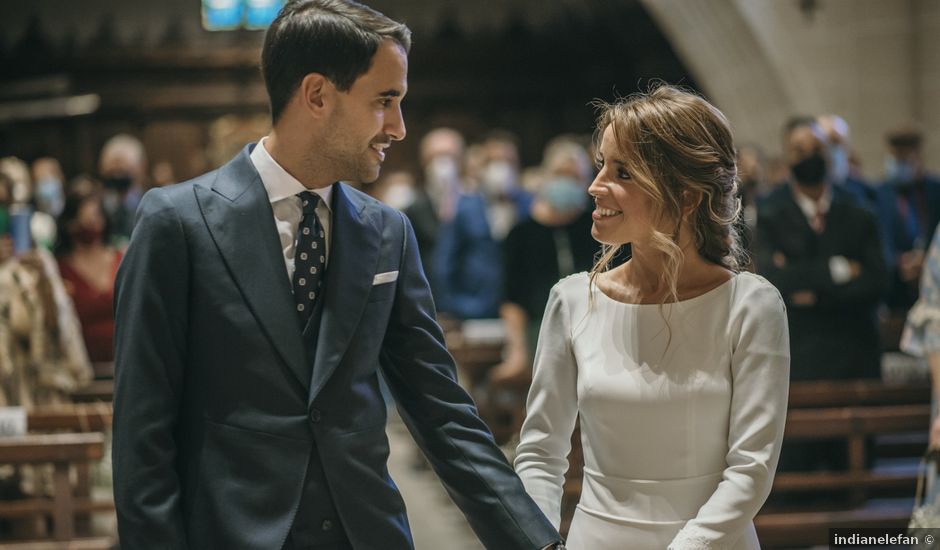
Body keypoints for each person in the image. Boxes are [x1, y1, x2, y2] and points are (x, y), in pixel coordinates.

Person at [111, 2, 562, 549]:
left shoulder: (387, 232)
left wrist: (540, 544)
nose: (398, 127)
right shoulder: (177, 222)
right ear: (318, 95)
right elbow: (142, 436)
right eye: (384, 101)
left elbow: (442, 413)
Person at [514, 85, 790, 549]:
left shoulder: (750, 306)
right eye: (600, 163)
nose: (594, 185)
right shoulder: (573, 300)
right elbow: (541, 454)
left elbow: (752, 467)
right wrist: (540, 542)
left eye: (621, 171)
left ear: (684, 196)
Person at [755, 118, 887, 382]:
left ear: (828, 154)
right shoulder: (771, 213)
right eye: (799, 151)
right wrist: (840, 269)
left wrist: (812, 292)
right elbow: (774, 282)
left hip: (857, 351)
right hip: (799, 354)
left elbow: (879, 280)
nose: (809, 157)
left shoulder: (859, 210)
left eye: (816, 149)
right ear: (787, 158)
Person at [490, 137, 601, 385]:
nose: (566, 182)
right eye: (560, 174)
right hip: (539, 330)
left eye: (575, 177)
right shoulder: (521, 233)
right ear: (546, 176)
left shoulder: (598, 228)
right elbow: (512, 299)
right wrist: (517, 351)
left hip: (594, 328)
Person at [56, 189, 122, 364]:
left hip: (123, 362)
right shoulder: (60, 269)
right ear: (70, 224)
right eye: (84, 220)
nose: (92, 225)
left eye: (96, 219)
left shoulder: (121, 259)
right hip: (81, 365)